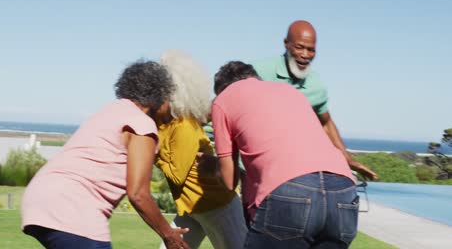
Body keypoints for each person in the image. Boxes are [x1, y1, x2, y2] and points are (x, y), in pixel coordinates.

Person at [21, 61, 190, 249]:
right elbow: (138, 194)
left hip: (40, 198)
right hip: (74, 208)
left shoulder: (111, 111)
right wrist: (169, 234)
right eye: (169, 98)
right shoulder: (141, 123)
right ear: (157, 96)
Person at [212, 61, 361, 248]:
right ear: (255, 78)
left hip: (291, 191)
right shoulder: (290, 91)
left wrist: (212, 167)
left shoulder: (223, 100)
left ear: (221, 88)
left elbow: (228, 181)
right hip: (343, 189)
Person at [251, 20, 377, 181]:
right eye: (299, 47)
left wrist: (348, 159)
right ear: (286, 44)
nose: (305, 55)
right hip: (247, 167)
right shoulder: (259, 71)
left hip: (283, 173)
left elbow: (325, 123)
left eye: (311, 50)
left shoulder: (316, 86)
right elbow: (227, 106)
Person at [156, 50, 247, 249]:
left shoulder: (184, 125)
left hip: (218, 206)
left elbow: (177, 175)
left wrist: (153, 154)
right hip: (192, 208)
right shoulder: (167, 122)